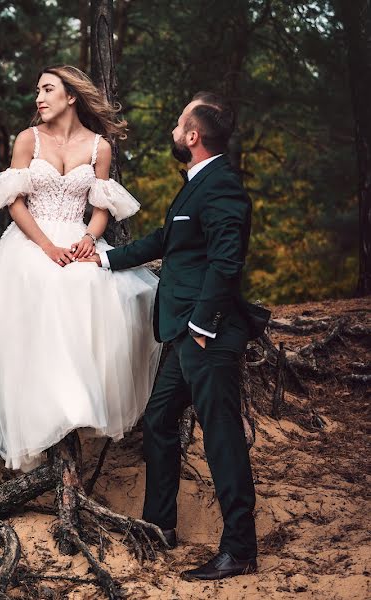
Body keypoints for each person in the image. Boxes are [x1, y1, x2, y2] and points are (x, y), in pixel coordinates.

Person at [82, 91, 270, 580]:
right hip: (184, 335)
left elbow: (227, 261)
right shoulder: (195, 185)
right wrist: (102, 256)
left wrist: (204, 327)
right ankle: (160, 525)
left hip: (208, 333)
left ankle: (239, 550)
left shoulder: (223, 185)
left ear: (193, 137)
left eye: (178, 123)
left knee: (222, 436)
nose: (172, 130)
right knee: (161, 419)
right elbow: (169, 242)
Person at [0, 65, 162, 473]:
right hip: (30, 242)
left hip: (77, 239)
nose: (38, 97)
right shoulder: (28, 139)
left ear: (71, 96)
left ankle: (80, 404)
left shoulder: (99, 148)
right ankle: (42, 416)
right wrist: (46, 246)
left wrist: (88, 240)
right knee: (42, 289)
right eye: (37, 89)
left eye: (48, 89)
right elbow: (14, 203)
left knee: (98, 287)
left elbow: (100, 210)